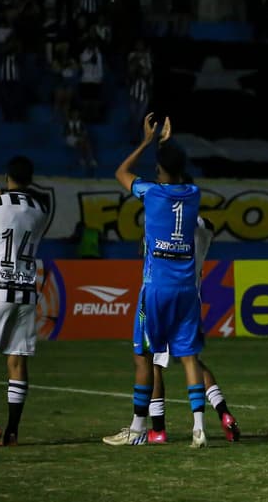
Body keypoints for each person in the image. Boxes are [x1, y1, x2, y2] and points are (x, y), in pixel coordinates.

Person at [103, 114, 208, 448]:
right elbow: (175, 171)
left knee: (143, 359)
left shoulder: (151, 193)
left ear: (160, 172)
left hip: (156, 290)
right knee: (189, 357)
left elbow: (120, 173)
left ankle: (137, 429)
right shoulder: (193, 194)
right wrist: (166, 146)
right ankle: (199, 428)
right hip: (187, 290)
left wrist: (147, 142)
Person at [147, 174, 240, 444]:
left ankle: (158, 428)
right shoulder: (205, 228)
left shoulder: (169, 225)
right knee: (193, 360)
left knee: (155, 362)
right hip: (191, 298)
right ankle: (223, 413)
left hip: (165, 294)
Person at [0, 156, 51, 446]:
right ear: (30, 179)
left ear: (6, 177)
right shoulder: (41, 210)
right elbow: (18, 225)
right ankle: (12, 433)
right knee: (16, 360)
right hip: (27, 293)